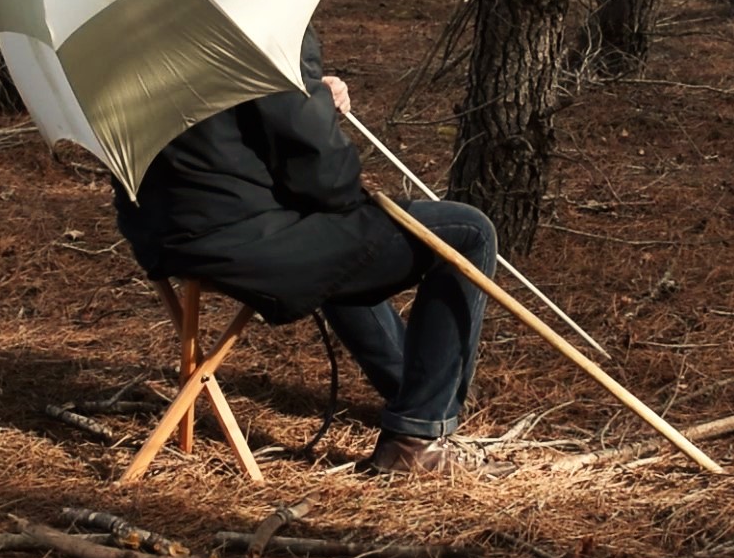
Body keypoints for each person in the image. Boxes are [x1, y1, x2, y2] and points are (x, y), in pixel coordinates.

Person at [114, 29, 498, 474]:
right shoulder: (260, 24)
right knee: (469, 231)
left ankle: (408, 388)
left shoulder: (131, 37)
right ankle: (418, 436)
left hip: (166, 241)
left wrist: (306, 96)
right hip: (247, 241)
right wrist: (314, 104)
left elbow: (218, 135)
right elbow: (326, 180)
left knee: (344, 239)